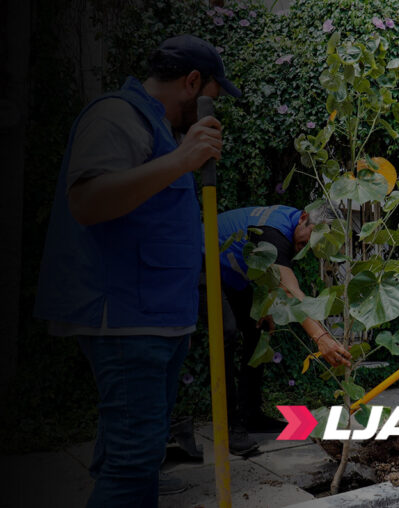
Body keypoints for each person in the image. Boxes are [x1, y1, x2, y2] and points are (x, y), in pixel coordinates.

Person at [34, 35, 240, 507]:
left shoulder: (160, 129)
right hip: (127, 319)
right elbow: (87, 201)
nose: (214, 109)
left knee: (137, 459)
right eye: (211, 93)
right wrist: (182, 161)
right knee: (132, 462)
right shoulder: (117, 115)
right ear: (191, 82)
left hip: (156, 318)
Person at [212, 205, 352, 449]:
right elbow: (289, 290)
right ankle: (228, 426)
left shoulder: (288, 230)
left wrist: (266, 304)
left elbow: (271, 272)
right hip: (202, 265)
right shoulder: (274, 231)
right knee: (226, 333)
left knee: (258, 329)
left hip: (230, 277)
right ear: (304, 219)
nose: (309, 248)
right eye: (312, 239)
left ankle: (251, 415)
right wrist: (322, 338)